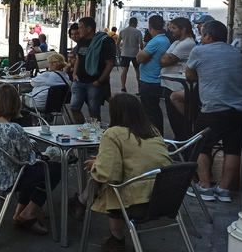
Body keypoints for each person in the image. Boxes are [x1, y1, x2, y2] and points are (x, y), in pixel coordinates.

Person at [67, 93, 173, 252]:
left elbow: (109, 174)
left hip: (140, 203)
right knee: (109, 173)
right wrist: (102, 162)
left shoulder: (113, 133)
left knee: (109, 184)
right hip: (166, 196)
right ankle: (80, 203)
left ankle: (116, 239)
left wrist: (97, 165)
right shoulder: (152, 130)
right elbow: (135, 159)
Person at [0, 84, 61, 236]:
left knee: (32, 169)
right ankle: (28, 213)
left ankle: (19, 213)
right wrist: (45, 156)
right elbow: (28, 159)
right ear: (16, 104)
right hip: (8, 178)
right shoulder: (13, 129)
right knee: (53, 169)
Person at [185, 20, 242, 203]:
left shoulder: (200, 51)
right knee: (232, 149)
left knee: (201, 145)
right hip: (239, 109)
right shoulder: (235, 52)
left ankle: (205, 186)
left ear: (208, 36)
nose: (201, 37)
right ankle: (224, 189)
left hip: (214, 108)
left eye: (202, 34)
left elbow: (189, 75)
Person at [71, 17, 115, 124]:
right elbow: (78, 58)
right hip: (79, 81)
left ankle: (96, 134)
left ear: (89, 29)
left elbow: (110, 64)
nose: (79, 30)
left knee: (94, 111)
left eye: (81, 28)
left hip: (94, 82)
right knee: (74, 108)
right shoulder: (81, 41)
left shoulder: (104, 41)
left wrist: (100, 81)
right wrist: (74, 74)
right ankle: (81, 129)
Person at [159, 17, 196, 140]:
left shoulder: (187, 43)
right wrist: (165, 58)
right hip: (169, 85)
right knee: (173, 119)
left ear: (183, 29)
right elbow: (163, 58)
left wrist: (166, 58)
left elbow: (166, 60)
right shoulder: (176, 43)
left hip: (178, 87)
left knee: (179, 120)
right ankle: (178, 140)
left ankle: (182, 143)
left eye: (174, 28)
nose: (171, 31)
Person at [136, 15, 169, 134]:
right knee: (154, 110)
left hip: (150, 81)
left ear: (150, 26)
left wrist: (144, 55)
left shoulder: (156, 41)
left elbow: (139, 58)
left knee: (150, 112)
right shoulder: (164, 39)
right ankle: (157, 135)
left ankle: (154, 136)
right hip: (154, 80)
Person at [117, 17, 144, 93]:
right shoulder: (138, 32)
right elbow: (140, 44)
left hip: (125, 53)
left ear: (129, 22)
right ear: (136, 23)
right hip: (135, 53)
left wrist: (119, 52)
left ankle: (123, 87)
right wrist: (142, 52)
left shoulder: (123, 31)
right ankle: (140, 88)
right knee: (137, 70)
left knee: (125, 70)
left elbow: (118, 43)